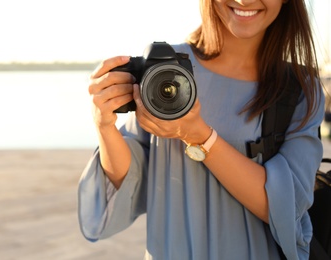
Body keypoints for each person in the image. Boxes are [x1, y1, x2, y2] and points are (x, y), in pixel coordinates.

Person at [78, 0, 326, 259]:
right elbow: (129, 177)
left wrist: (200, 137)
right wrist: (104, 125)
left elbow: (288, 207)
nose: (245, 0)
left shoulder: (300, 89)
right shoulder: (164, 66)